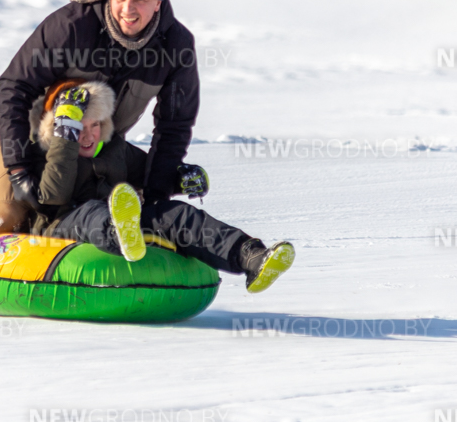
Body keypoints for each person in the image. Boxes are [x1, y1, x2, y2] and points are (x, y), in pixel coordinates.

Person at [0, 0, 200, 234]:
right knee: (8, 216)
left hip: (98, 140)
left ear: (158, 2)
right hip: (31, 129)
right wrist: (19, 169)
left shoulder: (176, 46)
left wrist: (156, 197)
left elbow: (174, 125)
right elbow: (13, 87)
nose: (127, 9)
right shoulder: (72, 26)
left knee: (107, 212)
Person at [21, 77, 295, 293]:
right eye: (78, 126)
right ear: (59, 128)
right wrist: (64, 141)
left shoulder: (115, 149)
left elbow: (152, 175)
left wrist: (182, 177)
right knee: (93, 211)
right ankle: (119, 233)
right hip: (62, 224)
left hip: (123, 222)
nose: (89, 134)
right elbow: (53, 197)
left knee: (177, 214)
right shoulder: (43, 153)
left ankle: (251, 257)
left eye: (95, 124)